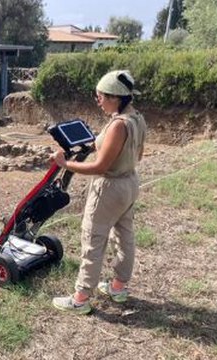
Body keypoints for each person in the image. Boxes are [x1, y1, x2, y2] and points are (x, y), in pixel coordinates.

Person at [50, 70, 147, 315]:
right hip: (130, 182)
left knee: (93, 239)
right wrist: (99, 144)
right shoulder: (136, 119)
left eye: (100, 96)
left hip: (110, 187)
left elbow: (99, 166)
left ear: (115, 97)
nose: (98, 101)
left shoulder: (117, 126)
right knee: (124, 235)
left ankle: (80, 299)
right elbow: (138, 154)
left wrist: (65, 164)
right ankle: (118, 287)